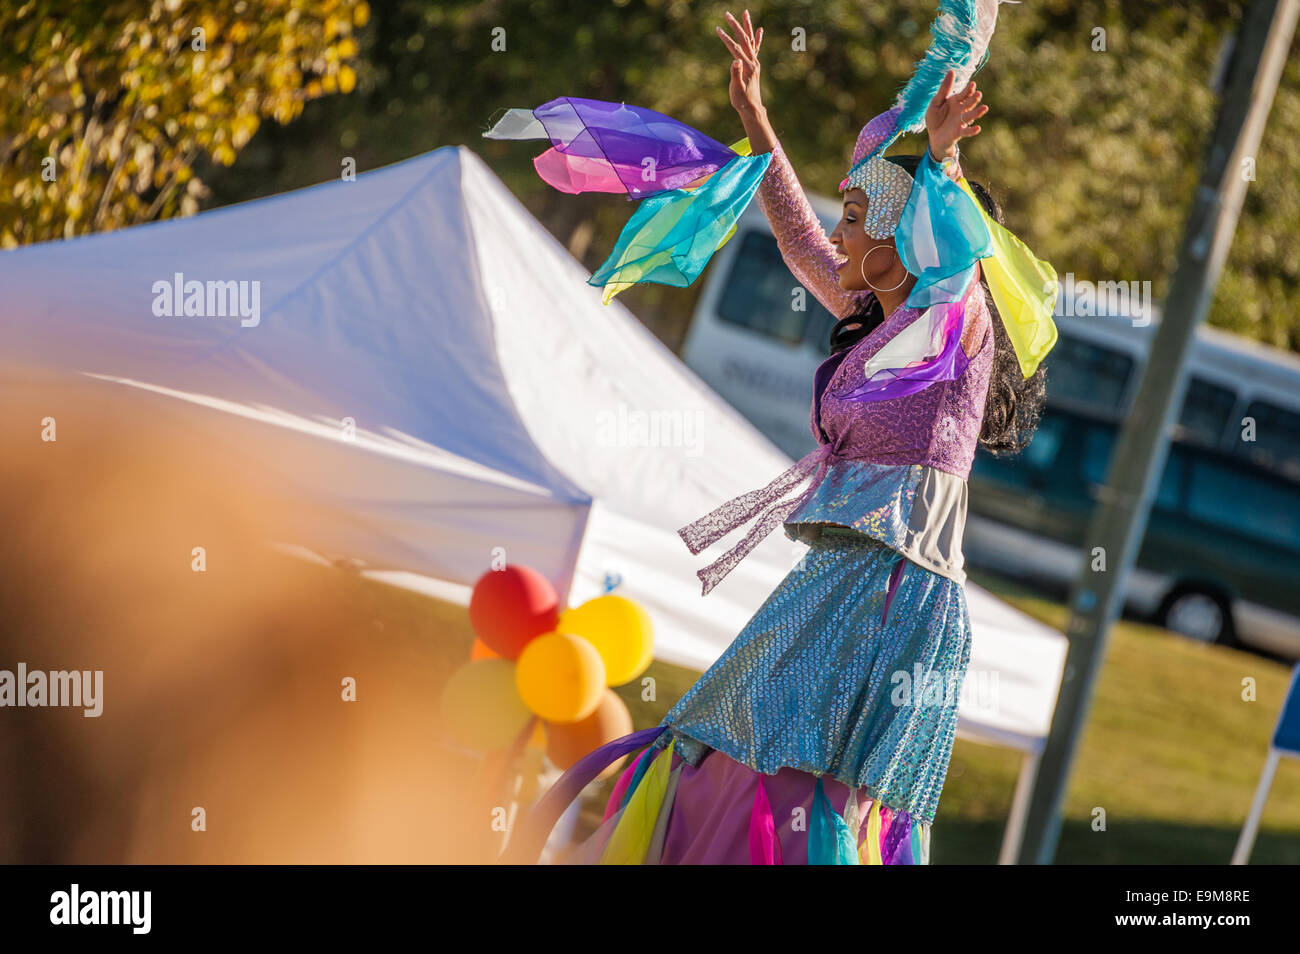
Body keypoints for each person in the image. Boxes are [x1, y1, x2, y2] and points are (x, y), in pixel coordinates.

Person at [505, 6, 1056, 866]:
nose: (835, 230)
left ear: (901, 226)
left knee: (794, 786)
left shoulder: (955, 322)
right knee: (719, 752)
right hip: (847, 575)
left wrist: (938, 155)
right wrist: (756, 117)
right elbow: (800, 240)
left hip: (894, 594)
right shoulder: (881, 320)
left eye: (855, 214)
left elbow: (945, 251)